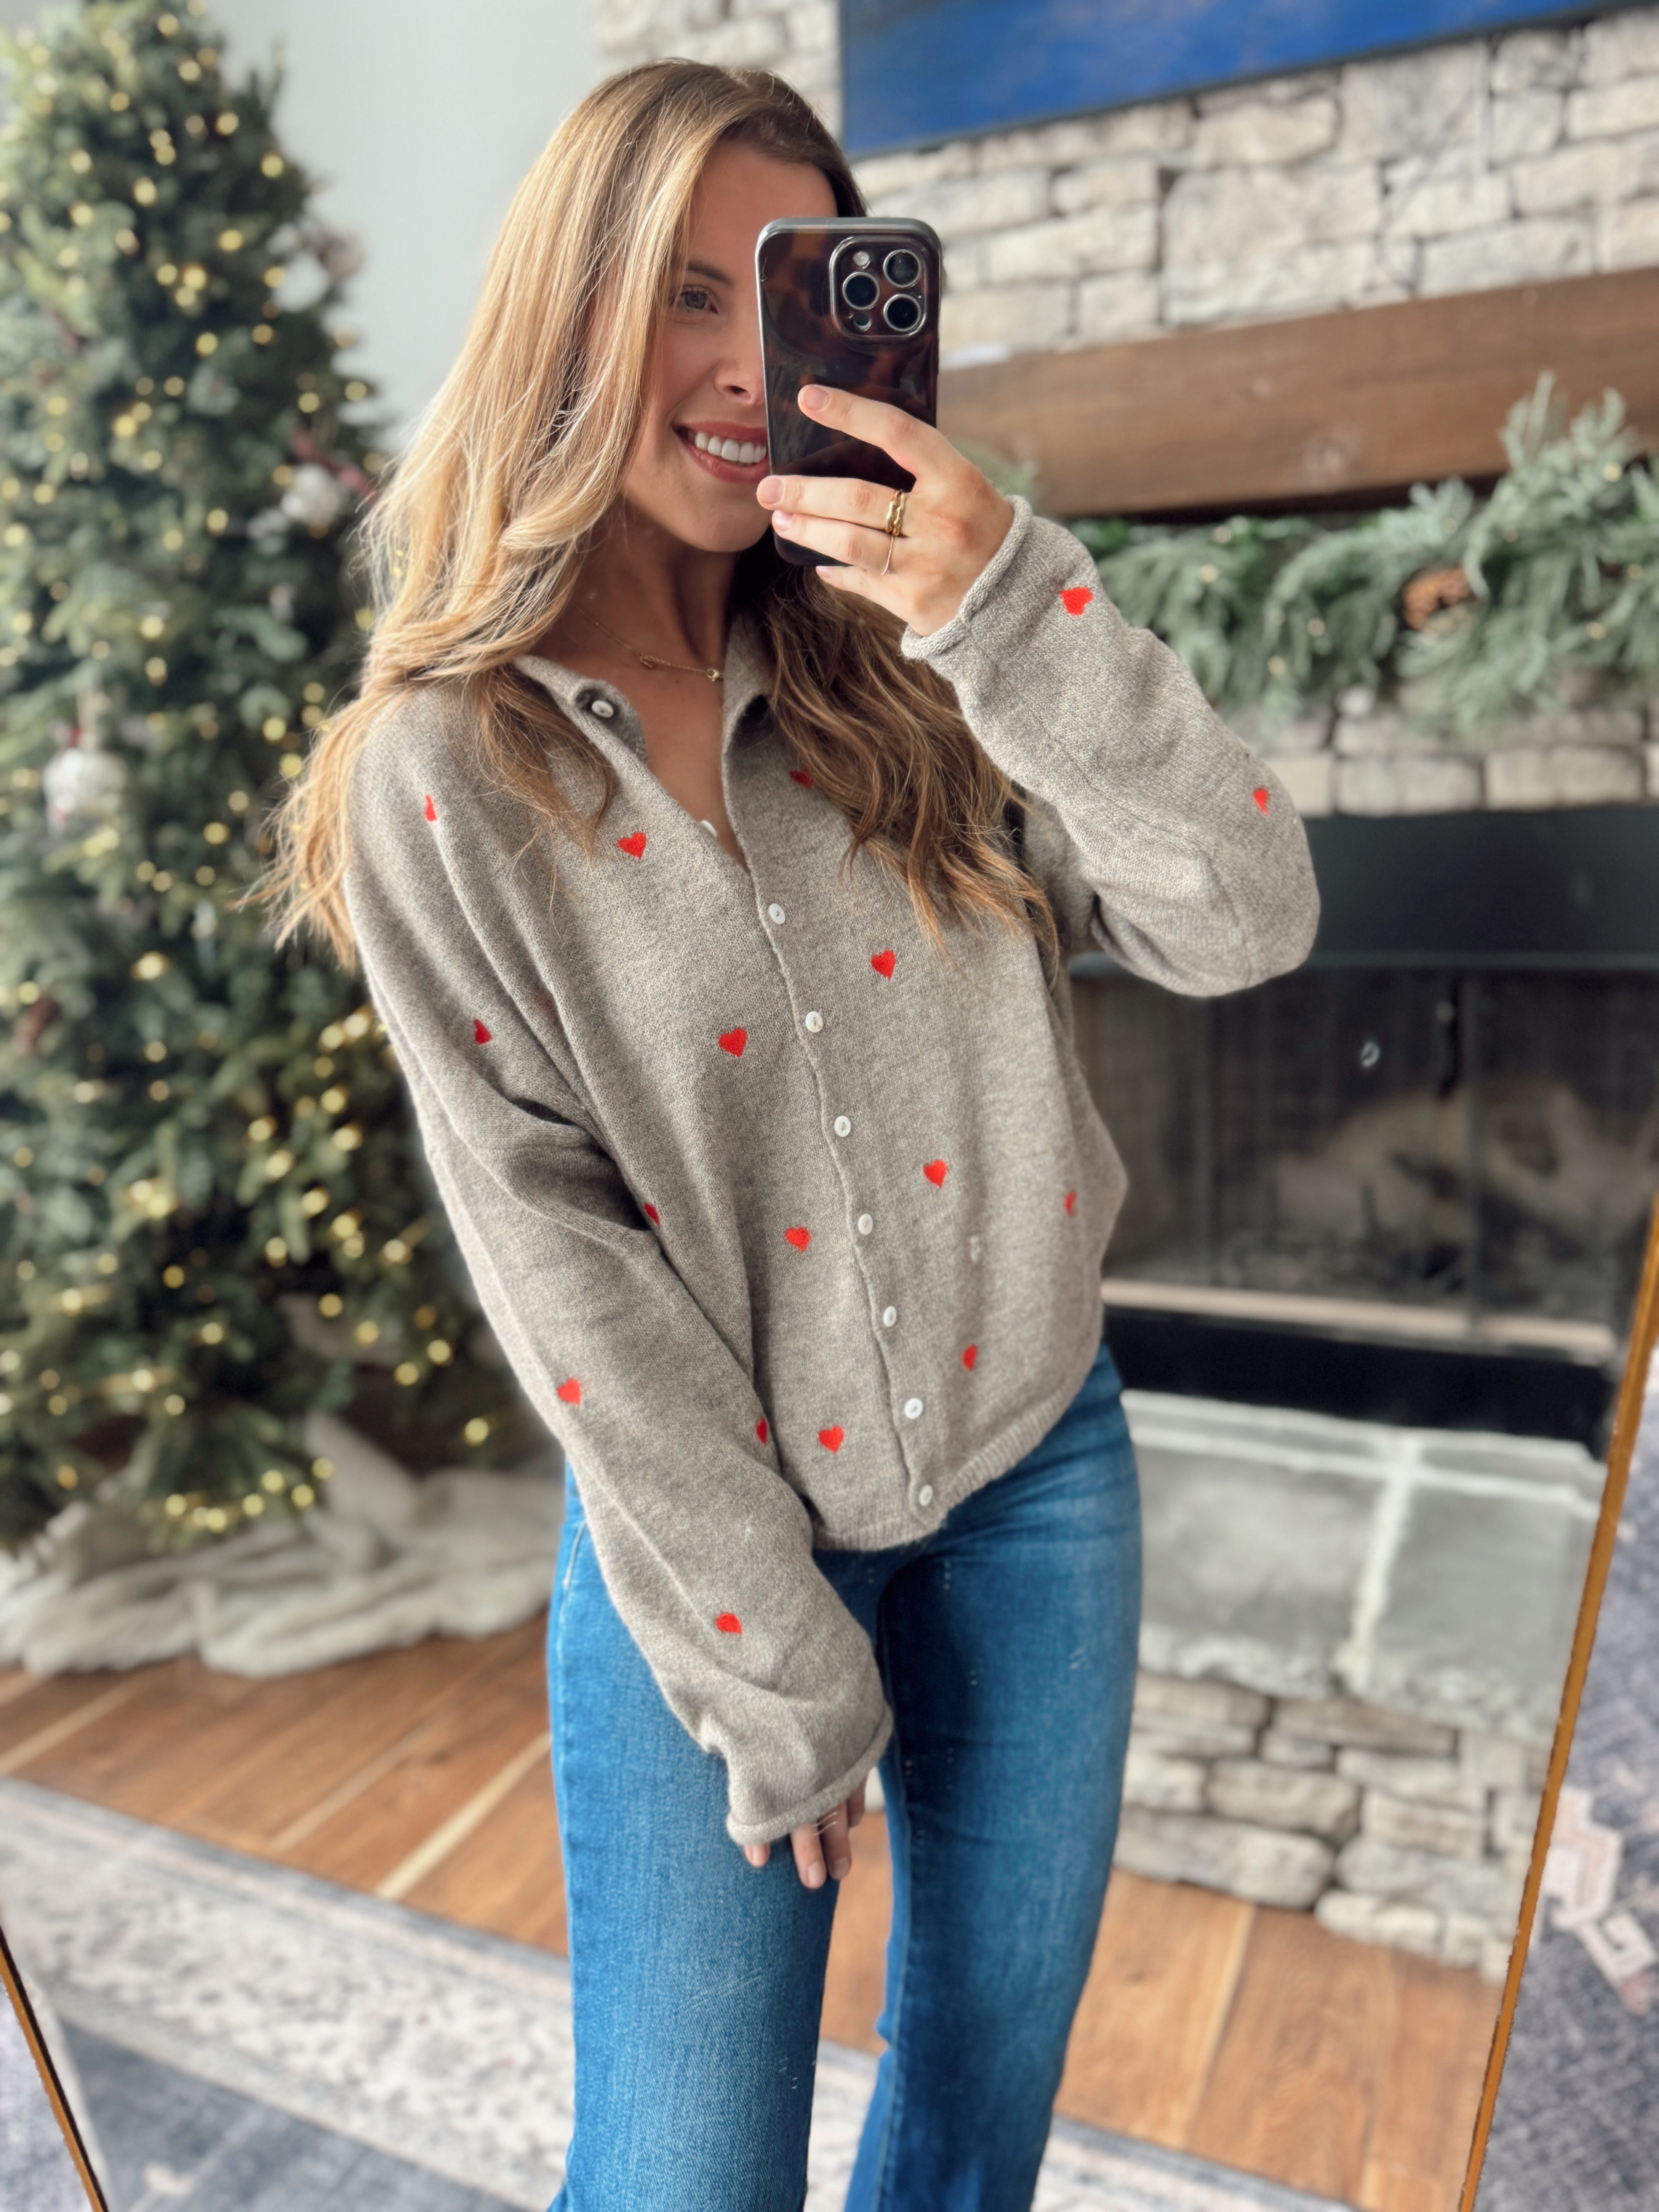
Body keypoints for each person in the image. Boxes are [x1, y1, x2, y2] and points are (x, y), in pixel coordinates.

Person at [264, 58, 1319, 2212]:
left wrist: (1008, 601)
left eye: (796, 296)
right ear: (566, 309)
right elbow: (560, 1262)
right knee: (684, 2180)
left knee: (973, 2129)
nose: (753, 370)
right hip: (713, 1549)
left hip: (1041, 1476)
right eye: (686, 296)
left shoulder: (931, 660)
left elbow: (1248, 916)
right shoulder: (441, 769)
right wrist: (773, 1658)